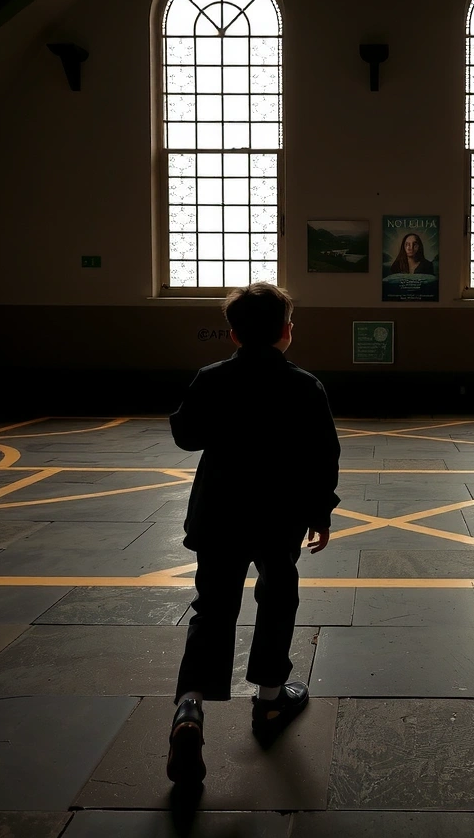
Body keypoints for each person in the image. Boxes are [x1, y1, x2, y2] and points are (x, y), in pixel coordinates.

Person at [165, 282, 341, 786]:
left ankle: (190, 708)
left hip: (218, 513)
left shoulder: (211, 378)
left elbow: (186, 435)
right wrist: (320, 513)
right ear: (287, 332)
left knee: (213, 606)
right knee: (278, 595)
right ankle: (268, 700)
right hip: (278, 515)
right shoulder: (305, 386)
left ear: (233, 333)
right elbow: (323, 457)